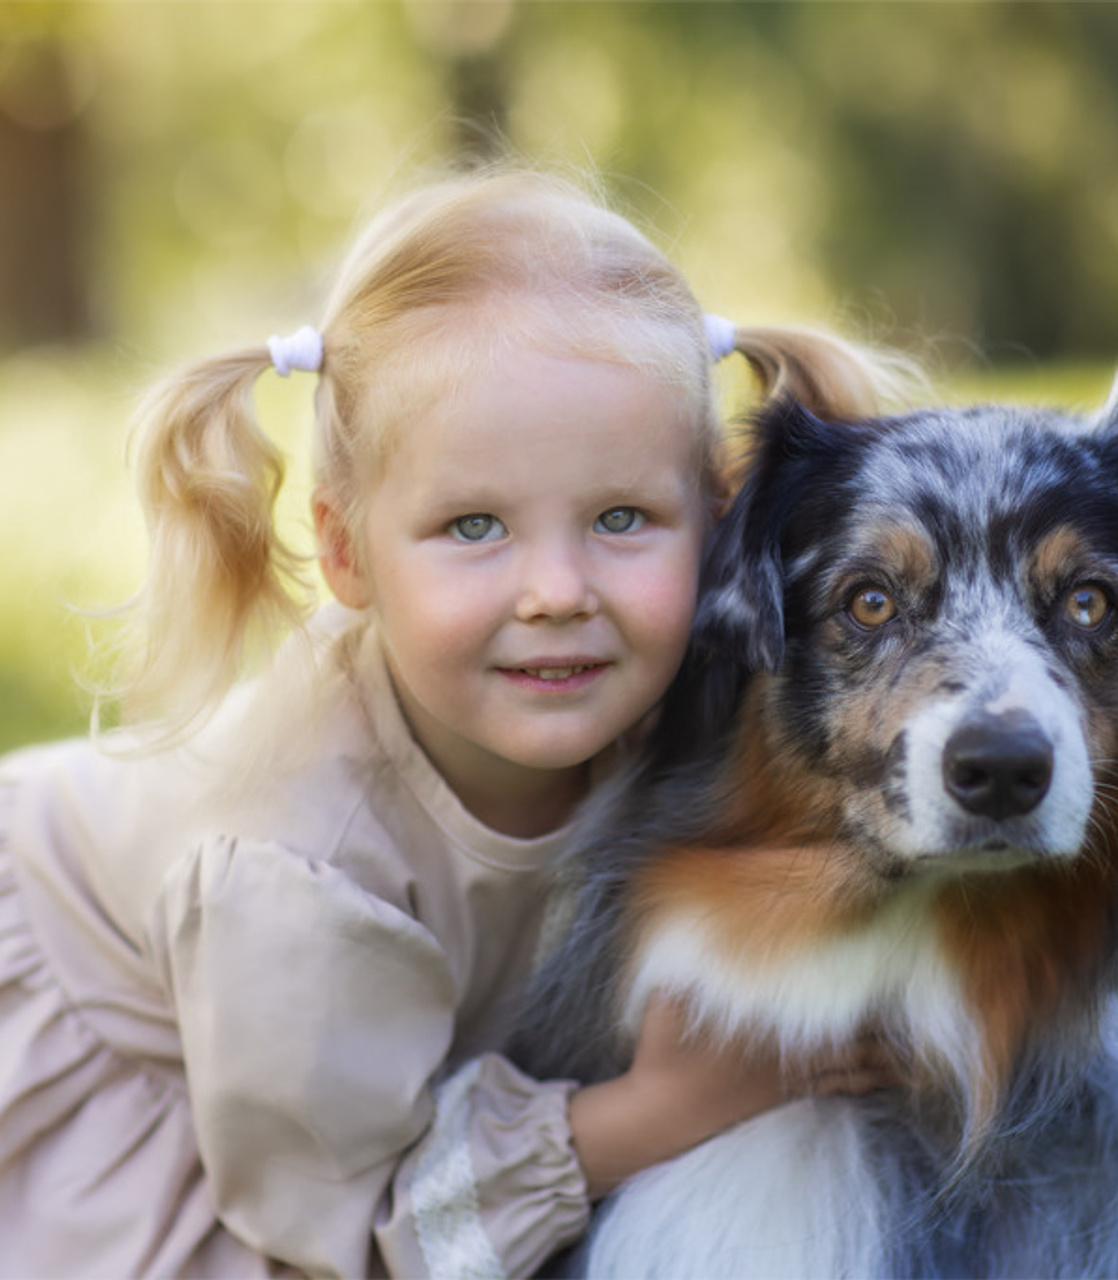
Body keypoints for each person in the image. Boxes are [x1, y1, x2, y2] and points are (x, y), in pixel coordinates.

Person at [0, 168, 910, 1278]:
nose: (556, 591)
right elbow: (359, 1232)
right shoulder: (290, 870)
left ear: (715, 513)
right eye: (473, 525)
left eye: (622, 517)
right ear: (345, 552)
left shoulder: (684, 663)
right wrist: (667, 1104)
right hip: (128, 1042)